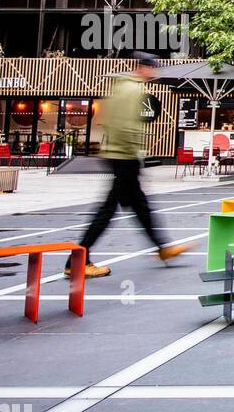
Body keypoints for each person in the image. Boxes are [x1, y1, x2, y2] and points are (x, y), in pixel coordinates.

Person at [66, 52, 188, 279]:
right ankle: (77, 260)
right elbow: (125, 127)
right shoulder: (133, 90)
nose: (155, 73)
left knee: (140, 206)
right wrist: (135, 158)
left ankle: (163, 248)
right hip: (124, 156)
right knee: (109, 210)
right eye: (153, 68)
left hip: (118, 155)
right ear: (143, 67)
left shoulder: (121, 87)